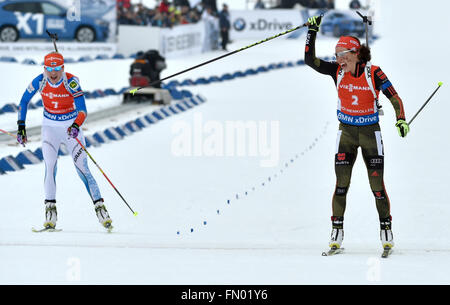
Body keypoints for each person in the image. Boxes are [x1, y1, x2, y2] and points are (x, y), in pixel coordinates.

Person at [304, 16, 409, 252]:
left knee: (377, 186)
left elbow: (395, 97)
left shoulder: (374, 73)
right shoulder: (336, 71)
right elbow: (309, 60)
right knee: (341, 184)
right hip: (347, 134)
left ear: (356, 54)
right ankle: (337, 232)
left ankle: (386, 229)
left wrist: (400, 119)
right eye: (336, 53)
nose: (338, 58)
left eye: (342, 53)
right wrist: (312, 30)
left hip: (371, 134)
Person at [16, 52, 113, 231]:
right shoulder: (39, 81)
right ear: (44, 69)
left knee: (82, 169)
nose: (53, 74)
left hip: (70, 129)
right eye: (49, 69)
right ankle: (50, 210)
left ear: (63, 68)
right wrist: (21, 126)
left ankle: (100, 208)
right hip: (49, 129)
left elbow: (83, 109)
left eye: (57, 69)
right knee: (50, 165)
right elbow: (23, 101)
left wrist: (76, 124)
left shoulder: (71, 81)